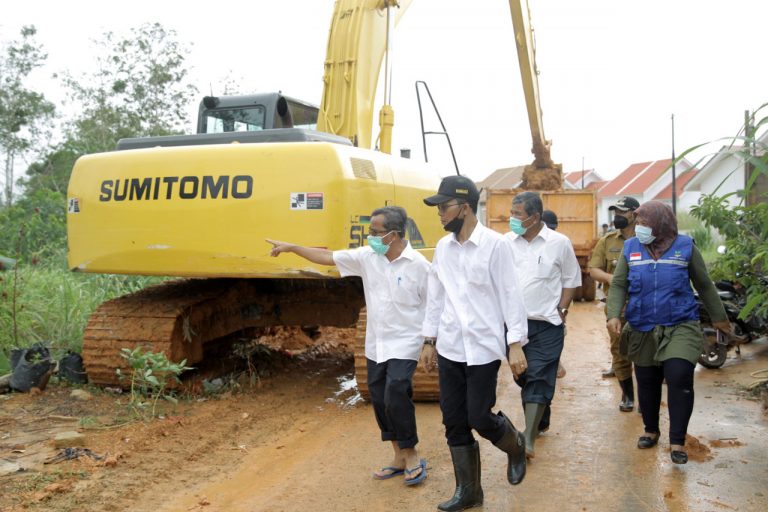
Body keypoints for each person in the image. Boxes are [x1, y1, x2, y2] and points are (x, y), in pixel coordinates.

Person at [267, 206, 430, 485]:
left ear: (394, 234)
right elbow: (328, 257)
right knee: (378, 397)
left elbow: (433, 306)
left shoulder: (419, 266)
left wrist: (429, 343)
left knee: (396, 391)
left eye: (376, 232)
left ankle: (412, 452)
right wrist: (292, 247)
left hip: (406, 341)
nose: (371, 238)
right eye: (370, 232)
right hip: (376, 342)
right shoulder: (368, 257)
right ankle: (398, 456)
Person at [419, 175, 528, 511]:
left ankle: (515, 447)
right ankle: (469, 492)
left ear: (464, 208)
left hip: (482, 348)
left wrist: (515, 344)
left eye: (444, 206)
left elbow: (511, 295)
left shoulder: (496, 246)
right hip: (451, 345)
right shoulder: (443, 248)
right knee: (453, 419)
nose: (439, 213)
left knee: (479, 417)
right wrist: (428, 339)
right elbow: (436, 295)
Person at [606, 201, 730, 464]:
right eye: (637, 223)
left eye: (644, 223)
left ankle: (677, 441)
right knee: (648, 381)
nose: (638, 228)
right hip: (642, 325)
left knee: (679, 376)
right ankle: (651, 430)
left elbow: (704, 285)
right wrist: (614, 314)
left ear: (660, 224)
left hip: (680, 324)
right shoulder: (631, 248)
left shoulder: (685, 247)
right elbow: (618, 285)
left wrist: (720, 318)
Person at [506, 192, 581, 459]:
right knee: (523, 376)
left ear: (535, 217)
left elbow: (571, 279)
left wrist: (562, 309)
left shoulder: (559, 243)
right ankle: (541, 415)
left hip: (547, 324)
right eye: (511, 213)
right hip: (514, 326)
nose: (512, 219)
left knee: (538, 376)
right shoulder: (505, 243)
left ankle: (528, 438)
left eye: (517, 214)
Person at [588, 196, 639, 411]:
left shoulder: (647, 238)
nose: (617, 216)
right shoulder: (607, 241)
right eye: (615, 212)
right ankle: (627, 395)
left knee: (648, 349)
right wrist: (614, 280)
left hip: (644, 304)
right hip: (616, 305)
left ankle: (648, 397)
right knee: (619, 349)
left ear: (635, 214)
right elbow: (594, 270)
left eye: (622, 212)